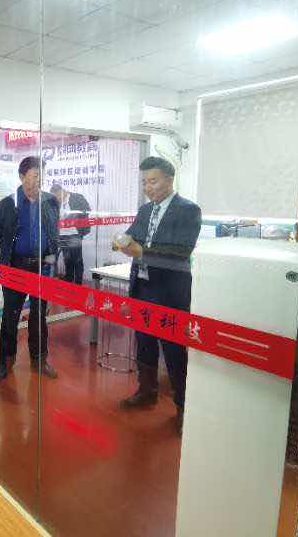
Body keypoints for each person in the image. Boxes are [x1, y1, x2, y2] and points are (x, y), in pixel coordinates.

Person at [114, 156, 201, 434]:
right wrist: (122, 241)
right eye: (144, 183)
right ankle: (146, 390)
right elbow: (132, 235)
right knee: (144, 343)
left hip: (170, 290)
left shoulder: (188, 210)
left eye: (152, 181)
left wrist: (141, 251)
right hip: (143, 286)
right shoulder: (145, 210)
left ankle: (183, 406)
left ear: (169, 179)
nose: (148, 188)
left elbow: (181, 250)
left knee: (174, 350)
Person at [0, 156, 59, 381]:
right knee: (10, 316)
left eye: (41, 175)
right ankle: (5, 361)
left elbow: (54, 233)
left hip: (42, 267)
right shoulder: (8, 204)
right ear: (22, 177)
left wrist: (50, 259)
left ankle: (39, 359)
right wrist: (15, 254)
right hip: (16, 267)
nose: (39, 179)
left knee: (39, 316)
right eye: (35, 175)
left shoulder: (50, 201)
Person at [50, 183, 91, 284]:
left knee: (77, 260)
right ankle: (69, 279)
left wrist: (74, 216)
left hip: (74, 233)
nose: (57, 198)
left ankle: (78, 283)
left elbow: (87, 210)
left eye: (57, 196)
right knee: (67, 259)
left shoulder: (77, 197)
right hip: (62, 234)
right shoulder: (56, 202)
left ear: (62, 191)